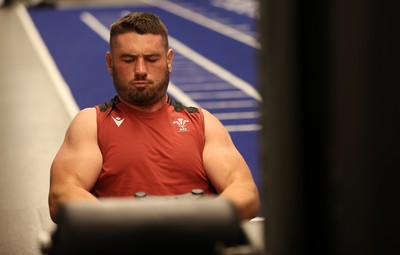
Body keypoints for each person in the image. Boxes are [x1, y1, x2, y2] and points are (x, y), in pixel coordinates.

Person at [48, 11, 260, 223]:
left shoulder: (203, 124)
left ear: (169, 60)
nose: (140, 70)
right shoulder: (91, 124)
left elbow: (246, 192)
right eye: (128, 60)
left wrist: (194, 223)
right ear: (110, 63)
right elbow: (62, 195)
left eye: (151, 59)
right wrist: (137, 228)